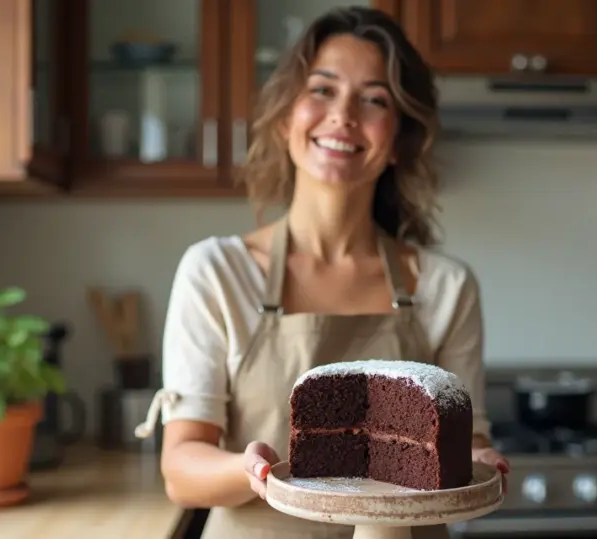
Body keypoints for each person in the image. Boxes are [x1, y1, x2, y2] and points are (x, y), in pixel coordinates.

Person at [135, 6, 509, 539]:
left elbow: (462, 444)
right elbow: (181, 469)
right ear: (287, 115)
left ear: (399, 138)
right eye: (323, 89)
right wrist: (258, 471)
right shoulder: (218, 272)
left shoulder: (445, 287)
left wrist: (479, 463)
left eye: (375, 99)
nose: (344, 115)